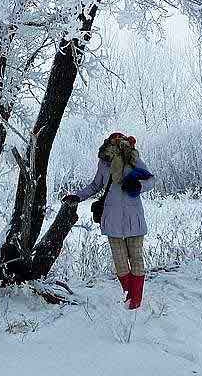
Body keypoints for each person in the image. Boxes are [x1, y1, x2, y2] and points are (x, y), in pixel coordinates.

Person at [63, 132, 154, 309]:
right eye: (114, 142)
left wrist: (138, 186)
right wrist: (77, 196)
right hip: (112, 218)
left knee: (136, 258)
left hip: (133, 217)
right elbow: (95, 185)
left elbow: (151, 180)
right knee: (120, 262)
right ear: (108, 144)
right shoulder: (104, 162)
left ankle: (136, 302)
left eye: (121, 142)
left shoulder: (133, 159)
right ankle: (130, 295)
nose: (118, 144)